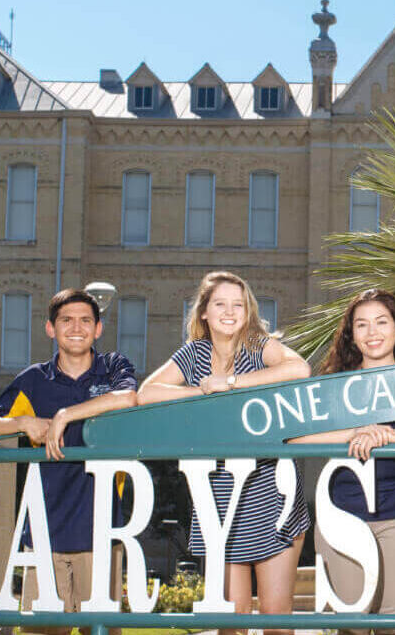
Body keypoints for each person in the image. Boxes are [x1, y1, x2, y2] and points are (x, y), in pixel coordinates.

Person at [137, 271, 311, 635]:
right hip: (219, 500)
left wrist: (230, 384)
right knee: (232, 622)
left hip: (271, 491)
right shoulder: (195, 354)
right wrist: (202, 394)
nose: (229, 312)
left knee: (276, 621)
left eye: (238, 304)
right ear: (204, 312)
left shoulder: (258, 345)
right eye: (220, 304)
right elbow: (147, 392)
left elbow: (300, 368)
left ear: (248, 312)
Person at [290, 289, 395, 635]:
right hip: (343, 514)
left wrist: (387, 434)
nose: (372, 332)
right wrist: (356, 431)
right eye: (361, 325)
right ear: (351, 334)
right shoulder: (335, 385)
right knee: (353, 623)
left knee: (393, 623)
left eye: (382, 322)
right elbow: (296, 438)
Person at [0, 288, 138, 625]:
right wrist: (23, 422)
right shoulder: (35, 380)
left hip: (101, 530)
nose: (76, 327)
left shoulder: (112, 368)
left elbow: (128, 399)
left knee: (100, 630)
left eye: (85, 320)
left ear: (98, 329)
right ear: (50, 328)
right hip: (44, 530)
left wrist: (67, 414)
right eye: (66, 320)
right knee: (44, 630)